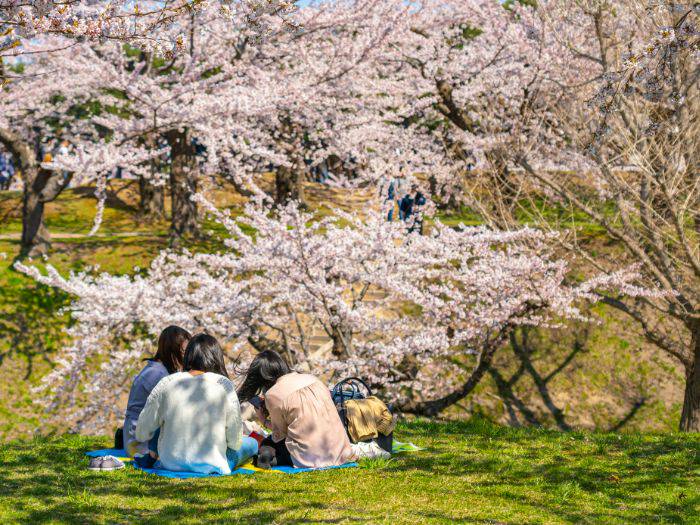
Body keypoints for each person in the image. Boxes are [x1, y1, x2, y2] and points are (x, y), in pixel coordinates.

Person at [135, 334, 257, 474]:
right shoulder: (223, 384)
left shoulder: (167, 382)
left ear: (188, 355)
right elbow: (235, 442)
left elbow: (142, 432)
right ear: (216, 357)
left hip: (170, 463)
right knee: (252, 443)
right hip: (212, 463)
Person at [237, 350, 353, 469]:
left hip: (312, 457)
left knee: (269, 442)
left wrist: (263, 420)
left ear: (262, 378)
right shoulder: (313, 378)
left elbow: (279, 435)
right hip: (341, 450)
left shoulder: (273, 394)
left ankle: (267, 458)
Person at [123, 325, 191, 457]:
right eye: (184, 352)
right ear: (172, 350)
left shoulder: (157, 368)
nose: (186, 357)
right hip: (141, 443)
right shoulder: (157, 373)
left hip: (139, 434)